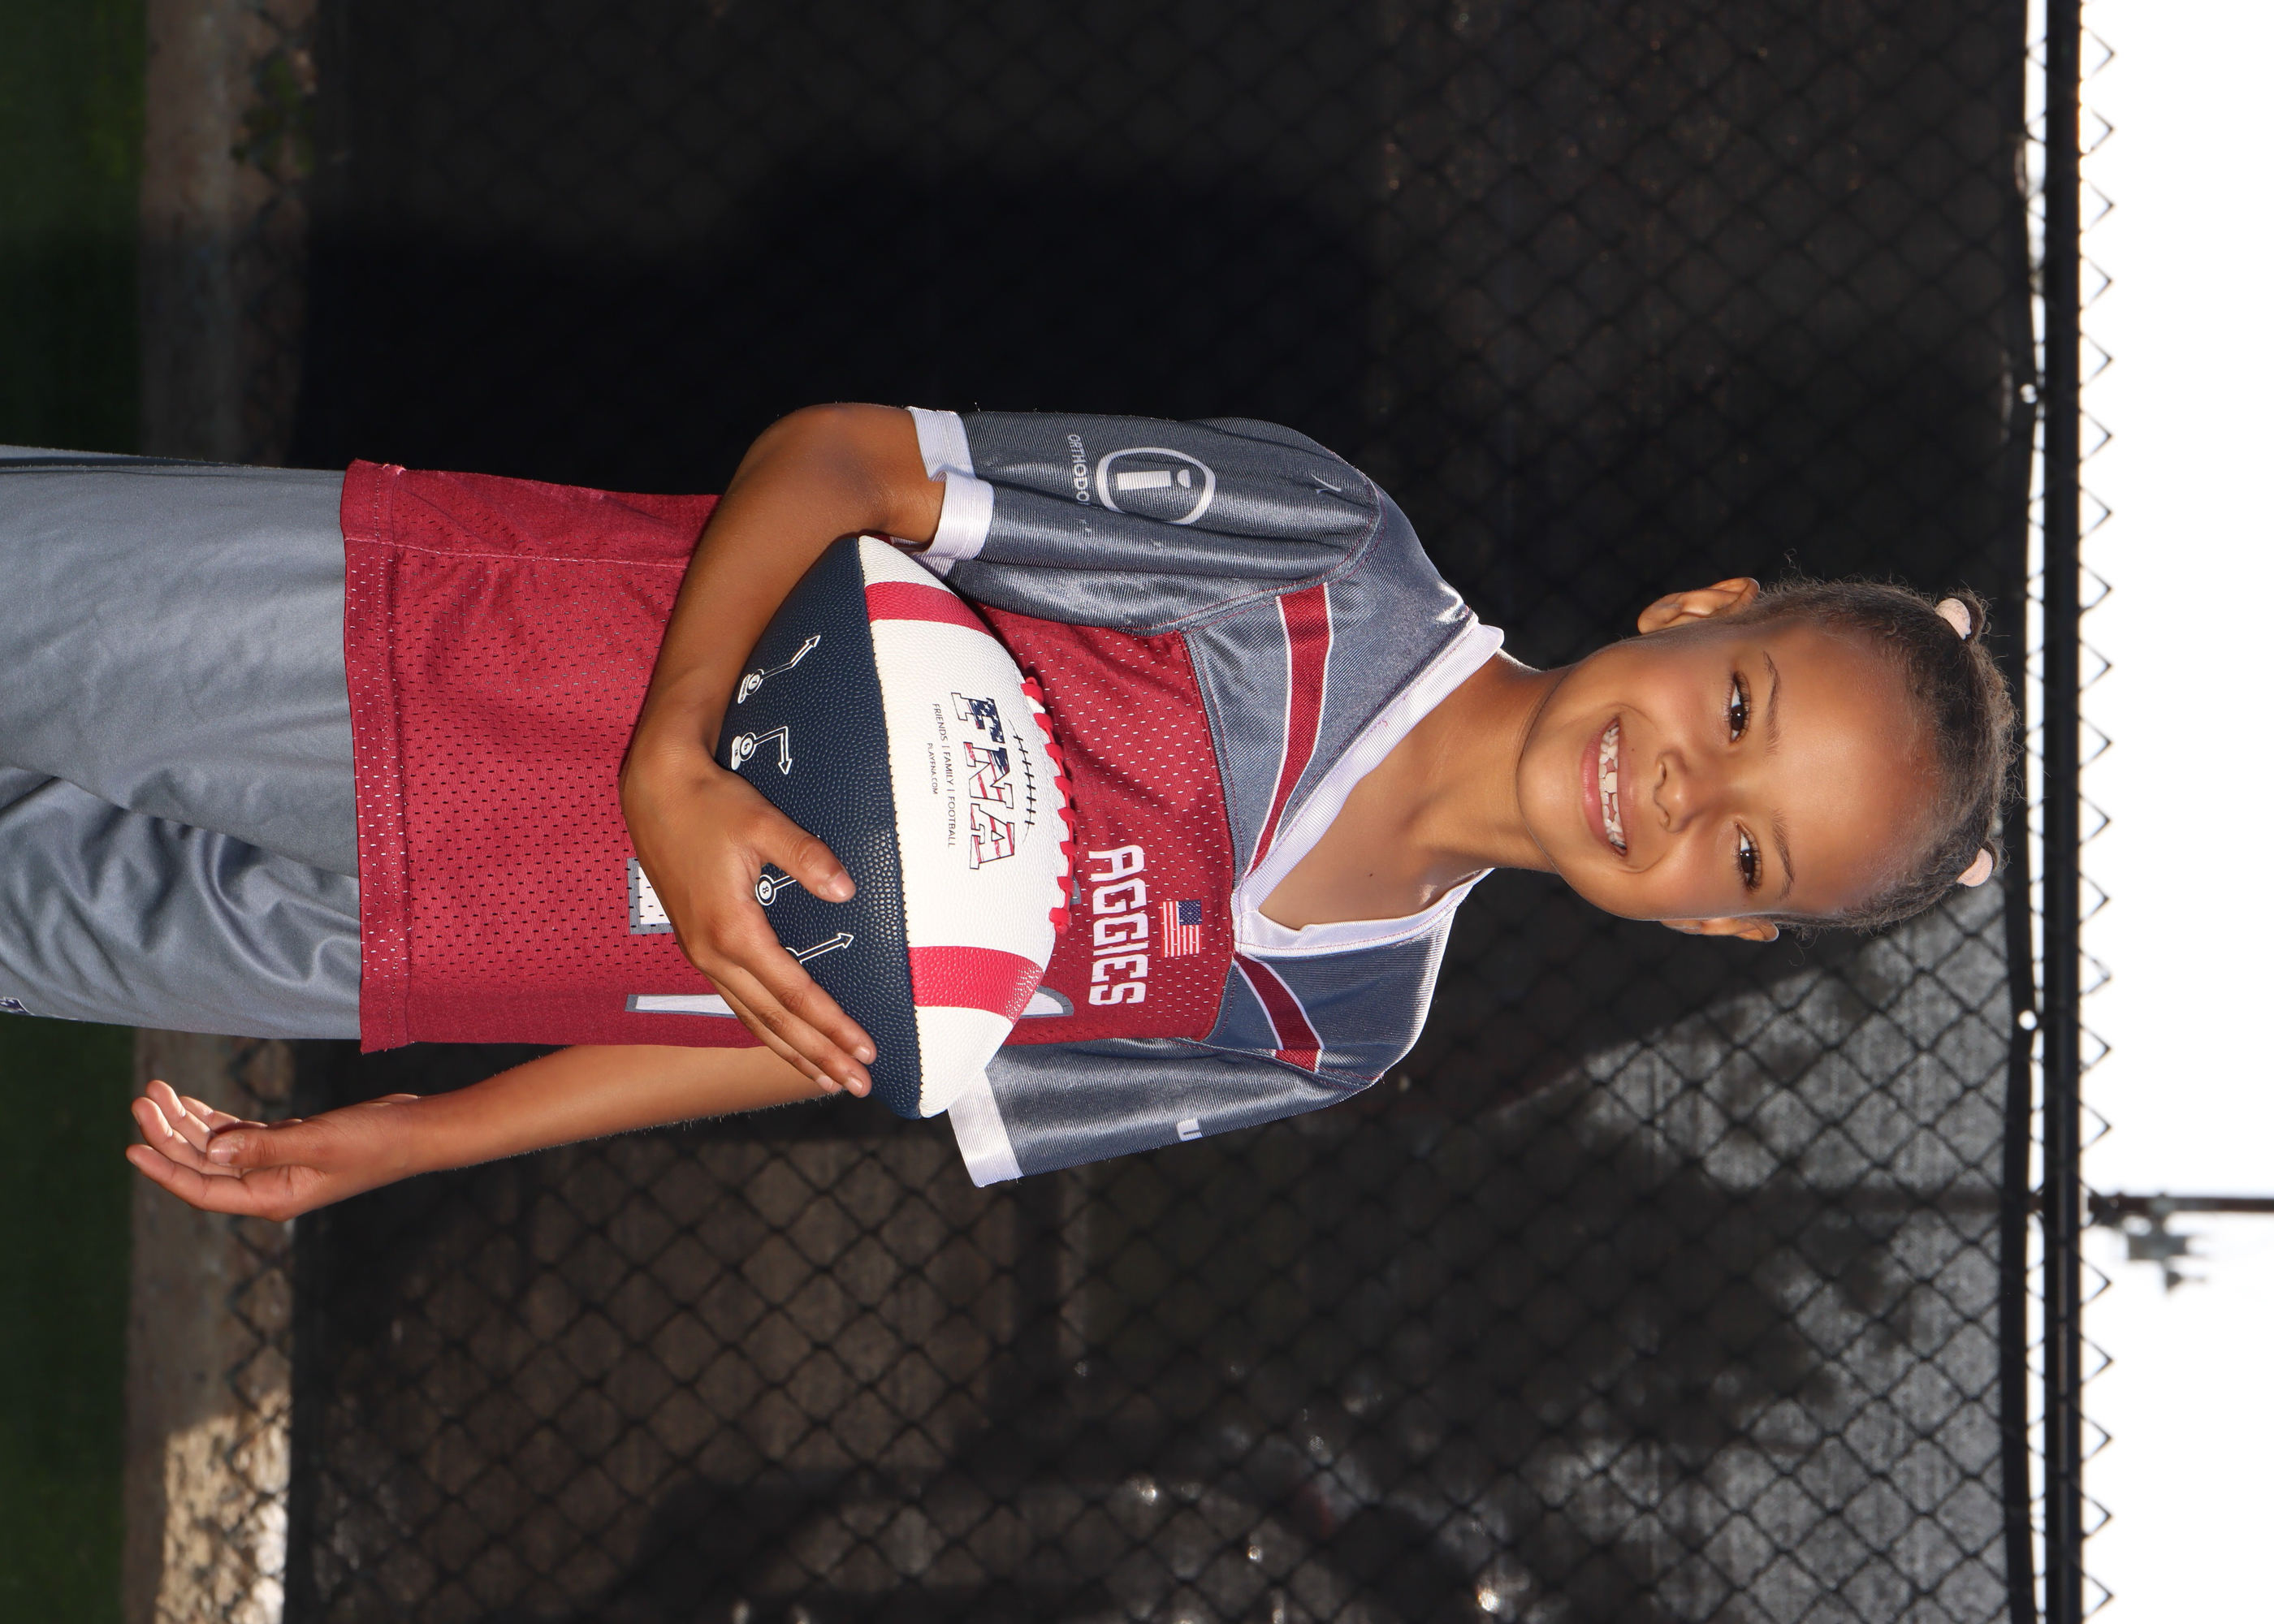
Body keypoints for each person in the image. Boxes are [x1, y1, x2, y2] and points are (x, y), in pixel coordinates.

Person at [0, 408, 2011, 1217]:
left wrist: (420, 1131)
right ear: (1699, 611)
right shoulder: (1323, 563)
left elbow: (830, 1041)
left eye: (1747, 850)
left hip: (425, 947)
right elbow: (836, 462)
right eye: (1735, 709)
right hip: (419, 652)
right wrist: (676, 751)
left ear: (1716, 925)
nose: (1683, 787)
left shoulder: (1332, 1027)